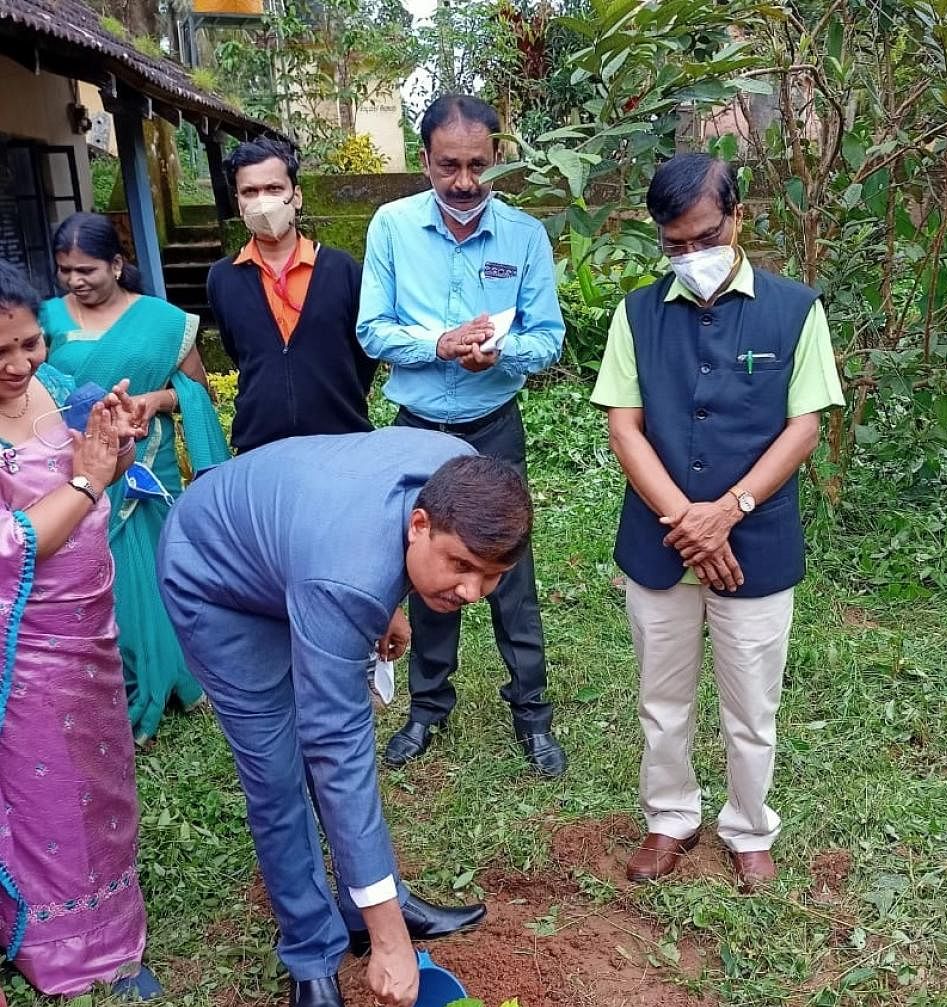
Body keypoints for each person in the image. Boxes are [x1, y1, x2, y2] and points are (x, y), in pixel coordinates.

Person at [157, 430, 533, 1007]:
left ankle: (369, 905)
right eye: (461, 566)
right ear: (418, 524)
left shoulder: (461, 472)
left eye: (491, 577)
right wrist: (394, 948)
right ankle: (311, 954)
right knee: (280, 772)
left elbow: (358, 556)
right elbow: (338, 748)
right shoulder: (345, 577)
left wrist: (383, 597)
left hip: (305, 553)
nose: (472, 593)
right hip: (217, 577)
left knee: (330, 738)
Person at [590, 153, 845, 891]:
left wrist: (728, 512)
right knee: (661, 698)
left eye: (704, 237)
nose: (691, 257)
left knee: (750, 703)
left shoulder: (794, 310)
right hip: (659, 542)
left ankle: (748, 825)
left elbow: (802, 428)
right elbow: (624, 429)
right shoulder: (636, 314)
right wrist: (686, 522)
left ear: (737, 217)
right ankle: (670, 817)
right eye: (673, 245)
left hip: (756, 543)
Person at [357, 94, 567, 778]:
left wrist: (497, 355)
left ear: (496, 156)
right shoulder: (390, 227)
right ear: (423, 161)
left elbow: (548, 336)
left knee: (509, 571)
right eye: (448, 165)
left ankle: (531, 714)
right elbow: (372, 329)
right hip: (416, 431)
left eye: (478, 164)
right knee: (428, 572)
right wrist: (439, 344)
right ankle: (426, 708)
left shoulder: (522, 236)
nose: (464, 181)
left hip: (491, 429)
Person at [0, 262, 158, 1000]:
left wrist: (113, 446)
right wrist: (90, 478)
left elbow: (83, 475)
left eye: (30, 344)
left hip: (88, 625)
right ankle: (62, 949)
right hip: (21, 648)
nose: (18, 365)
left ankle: (113, 931)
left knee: (101, 781)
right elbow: (14, 541)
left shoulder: (45, 388)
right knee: (47, 793)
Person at [39, 213, 230, 744]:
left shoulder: (166, 321)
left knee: (159, 569)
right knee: (95, 571)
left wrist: (157, 399)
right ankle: (111, 679)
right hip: (74, 467)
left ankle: (171, 675)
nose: (75, 280)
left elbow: (198, 392)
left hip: (148, 465)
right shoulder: (46, 319)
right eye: (64, 270)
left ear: (117, 265)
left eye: (87, 269)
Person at [207, 136, 376, 454]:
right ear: (238, 201)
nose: (262, 201)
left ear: (295, 196)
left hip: (341, 441)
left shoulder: (341, 269)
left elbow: (364, 351)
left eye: (274, 189)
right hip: (260, 446)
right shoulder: (223, 278)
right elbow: (240, 351)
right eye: (250, 192)